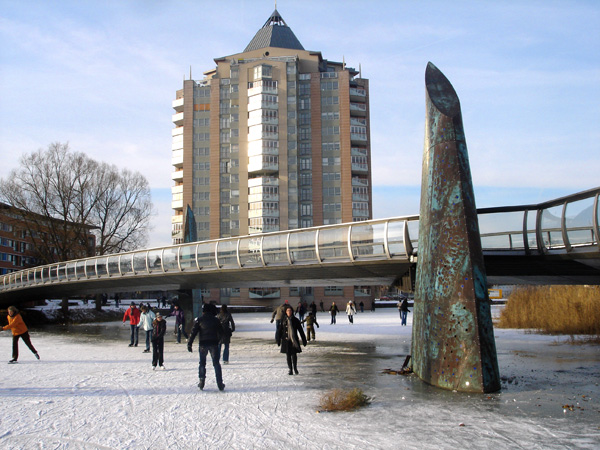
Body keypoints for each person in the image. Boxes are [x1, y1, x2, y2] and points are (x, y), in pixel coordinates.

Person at [188, 303, 225, 391]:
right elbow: (221, 332)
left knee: (202, 363)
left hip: (203, 344)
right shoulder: (216, 320)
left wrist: (189, 343)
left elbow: (193, 332)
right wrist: (218, 340)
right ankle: (219, 383)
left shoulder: (200, 320)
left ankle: (201, 381)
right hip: (214, 344)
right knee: (216, 363)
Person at [276, 305, 307, 375]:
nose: (289, 312)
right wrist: (278, 340)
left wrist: (304, 340)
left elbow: (301, 331)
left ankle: (295, 368)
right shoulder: (283, 320)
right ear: (286, 312)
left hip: (294, 340)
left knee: (294, 355)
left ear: (292, 312)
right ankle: (290, 369)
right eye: (287, 311)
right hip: (286, 340)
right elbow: (279, 330)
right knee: (288, 355)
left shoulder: (296, 320)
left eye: (290, 311)